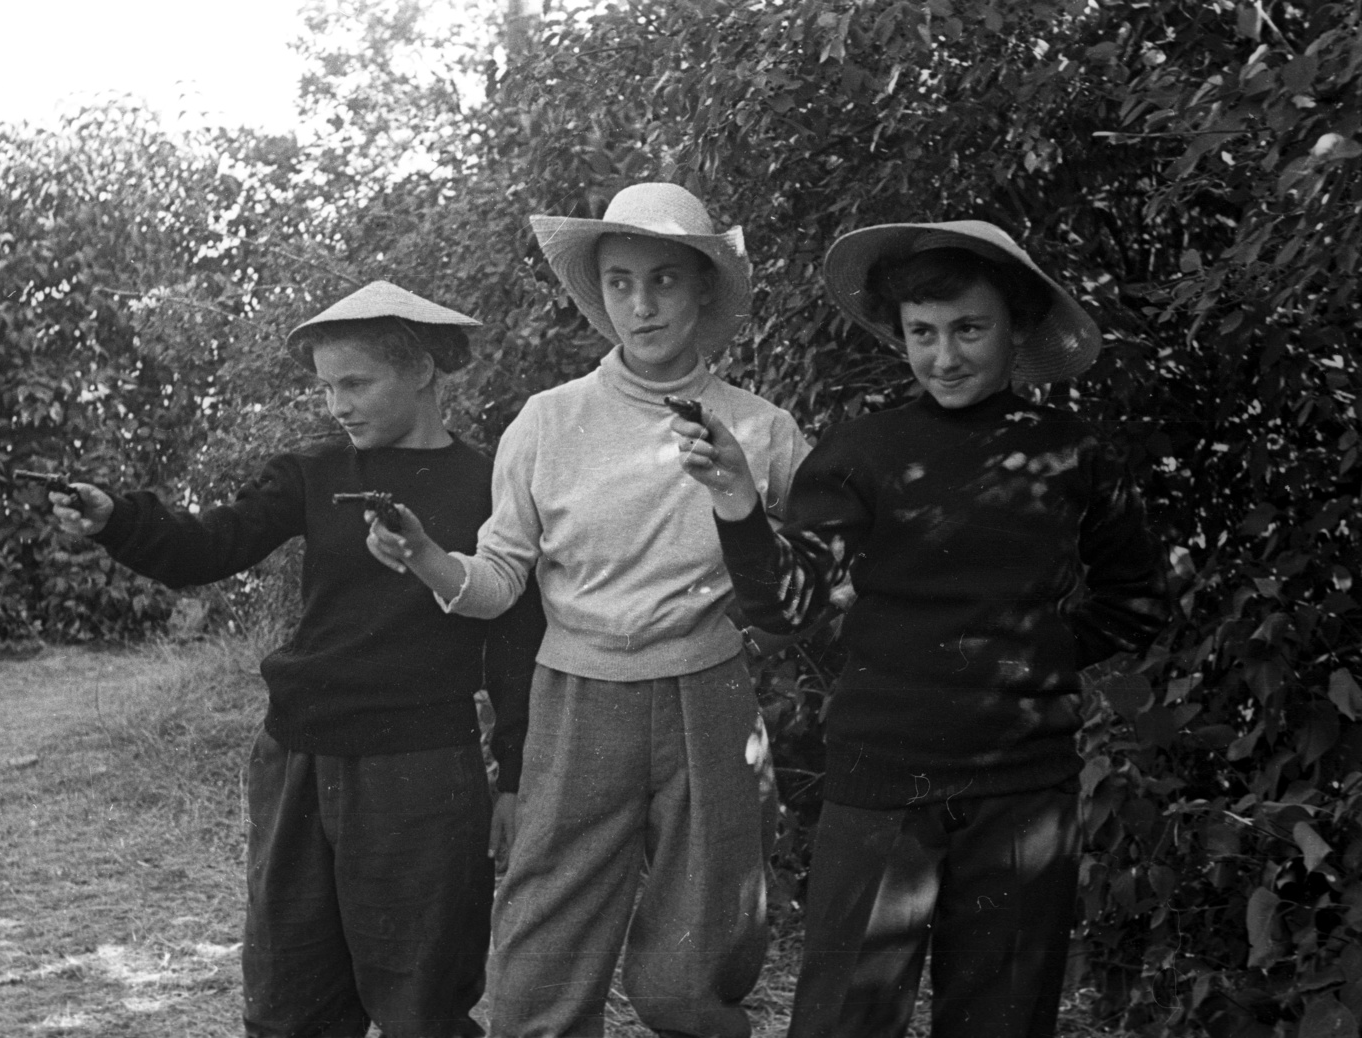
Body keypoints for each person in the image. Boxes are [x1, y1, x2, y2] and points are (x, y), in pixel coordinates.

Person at [675, 221, 1171, 1038]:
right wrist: (736, 501)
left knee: (1003, 1021)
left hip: (1024, 792)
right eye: (923, 334)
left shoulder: (1073, 455)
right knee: (844, 1021)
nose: (945, 356)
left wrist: (1031, 658)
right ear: (900, 335)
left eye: (969, 329)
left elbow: (1136, 601)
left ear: (1016, 328)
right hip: (883, 781)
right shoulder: (862, 453)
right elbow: (787, 608)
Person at [367, 182, 811, 1037]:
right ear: (598, 291)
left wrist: (748, 504)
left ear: (704, 287)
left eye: (664, 280)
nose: (640, 305)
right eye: (619, 281)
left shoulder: (762, 429)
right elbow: (499, 578)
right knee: (544, 942)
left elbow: (816, 576)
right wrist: (427, 556)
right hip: (577, 698)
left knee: (702, 950)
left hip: (713, 699)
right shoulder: (549, 421)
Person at [50, 280, 545, 1038]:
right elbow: (208, 545)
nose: (337, 405)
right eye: (325, 388)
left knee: (423, 1007)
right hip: (297, 759)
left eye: (356, 383)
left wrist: (512, 775)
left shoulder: (488, 485)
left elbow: (515, 638)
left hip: (422, 774)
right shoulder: (311, 473)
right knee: (291, 1001)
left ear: (419, 371)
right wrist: (118, 519)